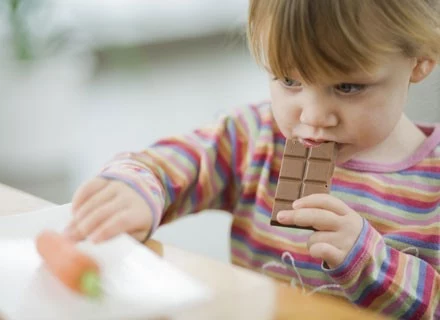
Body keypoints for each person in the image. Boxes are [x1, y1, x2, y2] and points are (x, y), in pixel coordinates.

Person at [64, 0, 440, 319]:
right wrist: (138, 188)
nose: (312, 116)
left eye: (346, 87)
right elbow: (172, 164)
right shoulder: (256, 137)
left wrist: (372, 262)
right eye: (289, 81)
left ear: (420, 62)